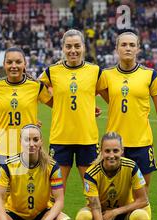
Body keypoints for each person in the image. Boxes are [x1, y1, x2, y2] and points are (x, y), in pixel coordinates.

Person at [100, 31, 157, 220]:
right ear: (116, 48)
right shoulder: (106, 75)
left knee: (142, 195)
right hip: (114, 147)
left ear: (139, 48)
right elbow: (104, 97)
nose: (128, 48)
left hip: (142, 145)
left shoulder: (150, 75)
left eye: (132, 45)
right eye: (124, 44)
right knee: (113, 197)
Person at [38, 29, 107, 192]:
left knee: (92, 192)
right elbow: (32, 90)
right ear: (63, 48)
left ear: (83, 47)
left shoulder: (95, 71)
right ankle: (54, 219)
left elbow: (109, 96)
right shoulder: (51, 71)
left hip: (87, 139)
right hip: (61, 138)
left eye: (77, 46)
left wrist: (89, 105)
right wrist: (56, 105)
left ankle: (95, 218)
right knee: (55, 193)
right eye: (68, 46)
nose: (73, 50)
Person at [75, 132, 150, 220]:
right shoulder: (91, 173)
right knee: (82, 218)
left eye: (116, 150)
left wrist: (115, 212)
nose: (111, 155)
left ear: (122, 151)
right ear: (101, 151)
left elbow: (143, 200)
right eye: (107, 151)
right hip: (101, 214)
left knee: (142, 217)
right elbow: (96, 209)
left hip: (124, 213)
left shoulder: (131, 166)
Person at [0, 47, 53, 174]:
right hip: (3, 148)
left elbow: (58, 105)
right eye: (9, 62)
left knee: (27, 191)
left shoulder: (36, 86)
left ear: (25, 64)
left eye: (18, 62)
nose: (14, 66)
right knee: (4, 192)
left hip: (29, 148)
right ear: (4, 65)